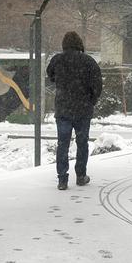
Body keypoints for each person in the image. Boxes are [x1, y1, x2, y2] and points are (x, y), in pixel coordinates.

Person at [46, 31, 102, 190]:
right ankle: (81, 175)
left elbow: (50, 75)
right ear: (79, 44)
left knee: (63, 144)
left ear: (64, 44)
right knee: (82, 143)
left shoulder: (57, 60)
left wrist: (62, 82)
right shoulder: (88, 61)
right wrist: (91, 100)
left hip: (63, 109)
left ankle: (62, 179)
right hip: (83, 110)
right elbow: (97, 85)